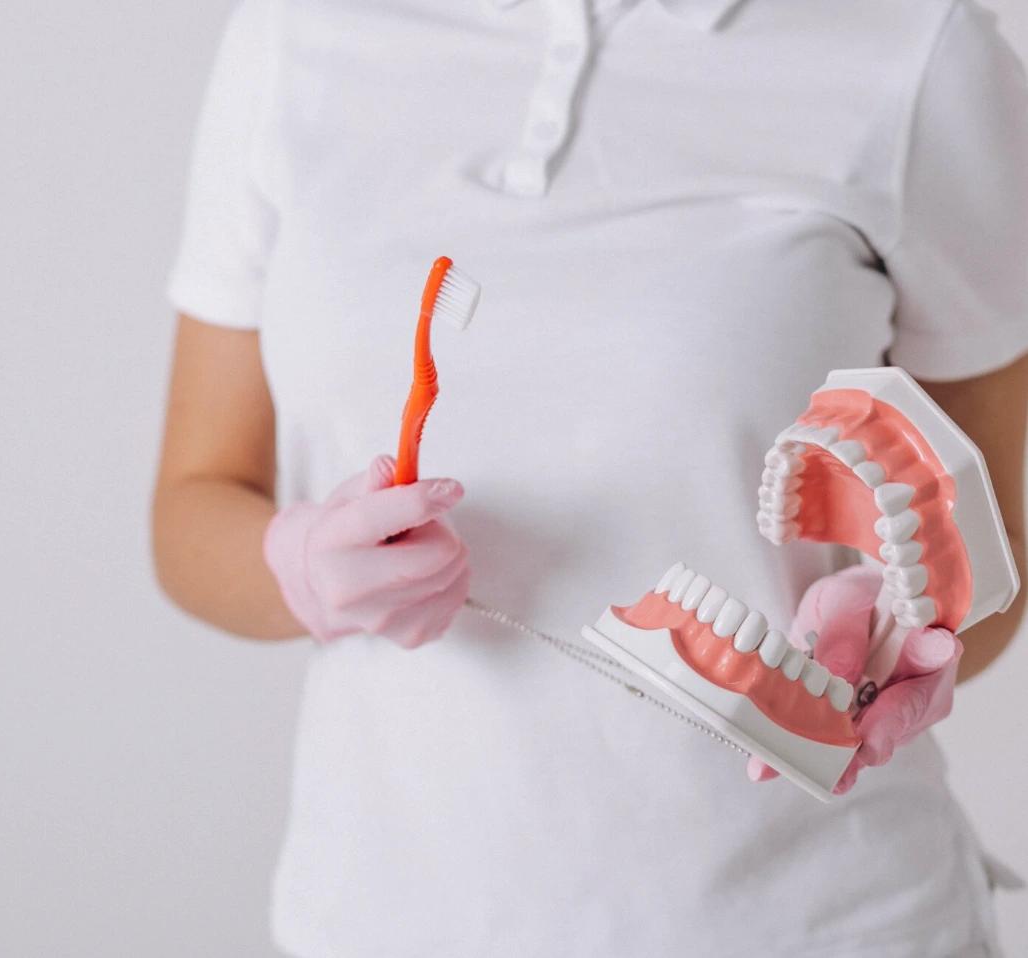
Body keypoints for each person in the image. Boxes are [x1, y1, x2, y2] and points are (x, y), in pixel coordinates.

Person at [151, 0, 1028, 953]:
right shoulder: (297, 38)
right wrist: (301, 567)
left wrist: (905, 625)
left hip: (822, 922)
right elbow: (194, 506)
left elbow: (995, 543)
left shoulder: (919, 48)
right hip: (383, 919)